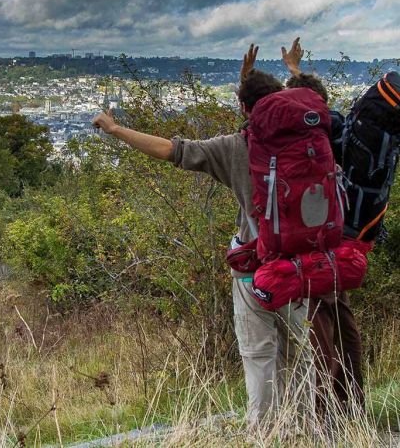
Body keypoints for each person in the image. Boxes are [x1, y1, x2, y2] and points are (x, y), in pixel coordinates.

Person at [92, 45, 315, 431]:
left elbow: (171, 150)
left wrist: (115, 129)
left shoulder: (234, 148)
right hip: (304, 265)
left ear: (245, 108)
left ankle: (264, 431)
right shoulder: (313, 139)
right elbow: (312, 98)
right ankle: (310, 425)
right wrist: (293, 70)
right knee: (309, 351)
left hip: (255, 270)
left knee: (260, 354)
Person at [280, 38, 365, 418]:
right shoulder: (335, 129)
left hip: (308, 242)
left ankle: (325, 414)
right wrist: (297, 74)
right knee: (341, 317)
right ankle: (352, 405)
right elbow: (319, 103)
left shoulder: (296, 139)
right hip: (340, 238)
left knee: (318, 326)